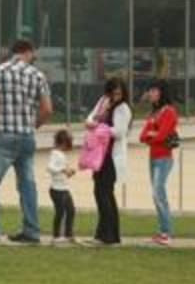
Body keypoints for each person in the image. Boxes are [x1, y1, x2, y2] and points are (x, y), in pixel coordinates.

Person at [0, 39, 53, 244]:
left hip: (4, 134)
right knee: (27, 184)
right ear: (27, 52)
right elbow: (47, 109)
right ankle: (31, 230)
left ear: (14, 52)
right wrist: (33, 125)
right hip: (26, 137)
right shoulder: (38, 75)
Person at [86, 77, 131, 246]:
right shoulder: (103, 102)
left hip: (111, 157)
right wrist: (95, 123)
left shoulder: (123, 108)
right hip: (99, 155)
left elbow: (119, 132)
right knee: (99, 192)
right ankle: (103, 233)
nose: (116, 96)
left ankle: (109, 235)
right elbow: (90, 119)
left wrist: (99, 127)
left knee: (105, 194)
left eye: (119, 93)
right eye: (113, 92)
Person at [138, 80, 179, 245]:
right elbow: (142, 136)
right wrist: (152, 135)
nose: (151, 94)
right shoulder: (154, 114)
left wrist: (152, 134)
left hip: (164, 158)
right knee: (157, 194)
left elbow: (162, 135)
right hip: (153, 157)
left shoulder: (169, 111)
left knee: (158, 193)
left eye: (154, 90)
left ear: (162, 92)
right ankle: (162, 230)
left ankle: (167, 232)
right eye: (150, 90)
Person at [47, 129, 77, 245]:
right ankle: (56, 236)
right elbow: (50, 168)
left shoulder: (61, 155)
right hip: (57, 190)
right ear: (64, 143)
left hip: (64, 188)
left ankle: (68, 234)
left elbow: (61, 171)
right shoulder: (55, 154)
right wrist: (64, 170)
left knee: (71, 210)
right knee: (60, 212)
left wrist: (69, 172)